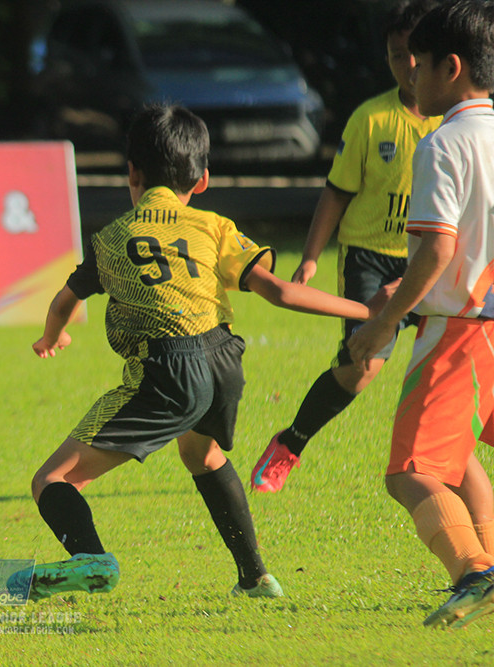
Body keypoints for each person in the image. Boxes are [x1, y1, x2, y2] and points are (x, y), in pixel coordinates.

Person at [10, 103, 380, 603]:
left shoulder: (111, 238)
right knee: (202, 453)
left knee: (51, 479)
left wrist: (52, 337)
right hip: (224, 359)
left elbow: (64, 301)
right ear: (202, 179)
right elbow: (280, 292)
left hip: (167, 368)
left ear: (132, 172)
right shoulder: (213, 227)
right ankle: (256, 577)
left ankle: (91, 560)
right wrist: (368, 309)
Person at [250, 0, 441, 493]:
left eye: (416, 55)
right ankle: (290, 443)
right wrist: (312, 256)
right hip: (370, 258)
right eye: (397, 56)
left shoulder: (457, 124)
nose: (409, 66)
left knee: (463, 361)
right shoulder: (370, 120)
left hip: (435, 258)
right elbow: (336, 192)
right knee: (361, 366)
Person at [348, 0, 494, 629]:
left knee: (411, 471)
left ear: (451, 69)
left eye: (418, 65)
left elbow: (437, 247)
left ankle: (475, 571)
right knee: (458, 455)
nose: (409, 77)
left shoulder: (443, 145)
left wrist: (385, 319)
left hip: (459, 332)